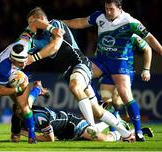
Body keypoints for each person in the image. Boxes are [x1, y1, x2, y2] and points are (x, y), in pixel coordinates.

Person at [26, 7, 135, 141]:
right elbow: (23, 51)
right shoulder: (38, 39)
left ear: (41, 20)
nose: (31, 27)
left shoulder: (56, 24)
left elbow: (54, 46)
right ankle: (126, 133)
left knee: (75, 85)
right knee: (97, 111)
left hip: (80, 63)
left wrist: (34, 57)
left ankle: (91, 126)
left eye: (33, 22)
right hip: (69, 72)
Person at [63, 0, 162, 141]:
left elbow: (150, 40)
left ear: (120, 8)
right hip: (102, 61)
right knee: (81, 75)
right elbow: (80, 22)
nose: (108, 12)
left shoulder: (130, 22)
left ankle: (138, 131)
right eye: (106, 8)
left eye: (111, 9)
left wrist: (148, 67)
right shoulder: (100, 17)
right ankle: (111, 124)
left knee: (122, 96)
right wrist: (61, 23)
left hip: (120, 64)